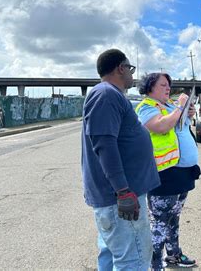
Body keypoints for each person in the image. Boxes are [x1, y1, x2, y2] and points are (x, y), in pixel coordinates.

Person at [81, 49, 160, 270]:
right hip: (121, 200)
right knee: (133, 260)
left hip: (118, 199)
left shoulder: (109, 95)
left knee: (112, 255)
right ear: (120, 68)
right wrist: (123, 191)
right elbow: (104, 144)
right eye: (131, 69)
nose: (132, 75)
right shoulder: (106, 95)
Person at [136, 73, 201, 270]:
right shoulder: (147, 107)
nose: (168, 88)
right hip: (164, 174)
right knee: (159, 224)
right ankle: (154, 265)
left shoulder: (170, 105)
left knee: (173, 219)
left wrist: (187, 112)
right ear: (150, 88)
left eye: (168, 85)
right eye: (163, 85)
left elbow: (181, 125)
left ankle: (173, 256)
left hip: (182, 173)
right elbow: (161, 126)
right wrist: (180, 107)